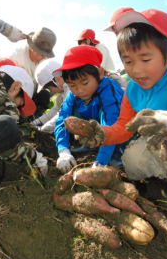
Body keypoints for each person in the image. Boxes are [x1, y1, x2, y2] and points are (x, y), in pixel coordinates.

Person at [75, 8, 167, 205]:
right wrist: (102, 133)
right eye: (128, 61)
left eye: (146, 59)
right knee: (132, 161)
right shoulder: (133, 89)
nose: (136, 70)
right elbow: (124, 126)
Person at [0, 65, 48, 193]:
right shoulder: (4, 100)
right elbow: (9, 147)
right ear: (15, 87)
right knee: (7, 126)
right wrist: (35, 157)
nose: (17, 109)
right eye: (20, 103)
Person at [52, 45, 124, 174]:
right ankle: (92, 147)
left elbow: (111, 126)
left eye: (85, 83)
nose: (79, 90)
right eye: (72, 85)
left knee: (120, 155)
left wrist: (99, 164)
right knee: (70, 118)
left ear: (100, 73)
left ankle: (117, 156)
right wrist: (63, 151)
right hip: (98, 135)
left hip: (120, 135)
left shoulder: (108, 89)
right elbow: (62, 120)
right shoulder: (73, 96)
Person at [7, 27, 57, 119]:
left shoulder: (44, 59)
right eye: (41, 54)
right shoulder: (16, 57)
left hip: (34, 96)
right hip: (18, 98)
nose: (43, 57)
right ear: (32, 47)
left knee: (45, 93)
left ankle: (35, 119)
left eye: (45, 55)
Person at [30, 58, 70, 133]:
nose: (51, 91)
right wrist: (34, 123)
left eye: (49, 87)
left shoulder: (70, 90)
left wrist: (42, 130)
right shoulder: (63, 93)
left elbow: (63, 115)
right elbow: (56, 109)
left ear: (57, 79)